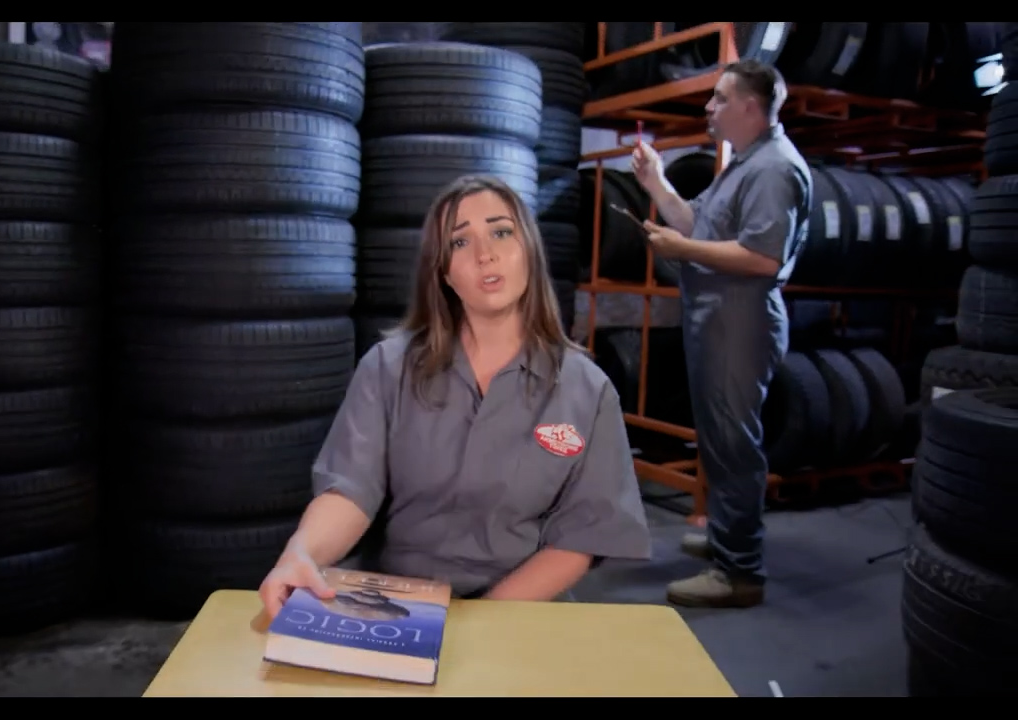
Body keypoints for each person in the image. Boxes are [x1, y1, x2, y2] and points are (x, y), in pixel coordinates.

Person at [258, 174, 653, 616]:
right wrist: (301, 553)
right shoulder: (388, 367)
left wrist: (479, 624)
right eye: (460, 242)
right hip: (395, 601)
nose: (485, 254)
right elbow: (350, 490)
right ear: (444, 272)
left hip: (520, 611)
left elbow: (581, 536)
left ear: (529, 249)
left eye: (501, 232)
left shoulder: (589, 390)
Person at [630, 59, 813, 608]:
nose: (708, 107)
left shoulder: (773, 169)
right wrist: (655, 182)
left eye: (719, 98)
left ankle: (740, 573)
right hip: (718, 318)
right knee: (718, 439)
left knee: (734, 445)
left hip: (741, 321)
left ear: (750, 106)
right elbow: (697, 224)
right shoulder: (744, 164)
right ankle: (727, 538)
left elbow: (762, 257)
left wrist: (681, 250)